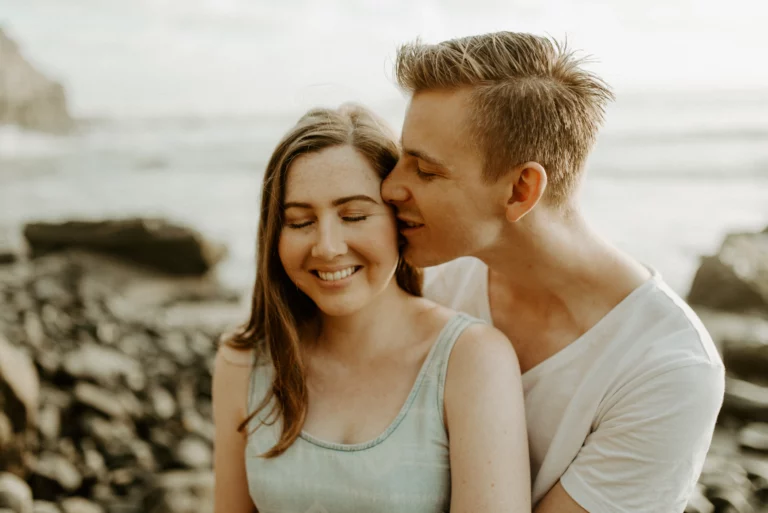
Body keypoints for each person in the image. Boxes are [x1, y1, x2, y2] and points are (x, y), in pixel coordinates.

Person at [381, 32, 725, 513]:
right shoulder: (427, 286)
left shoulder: (667, 369)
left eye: (425, 171)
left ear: (521, 190)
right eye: (400, 158)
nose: (390, 187)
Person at [212, 104, 531, 513]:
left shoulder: (471, 359)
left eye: (355, 215)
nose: (327, 246)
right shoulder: (244, 361)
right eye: (299, 221)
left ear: (400, 220)